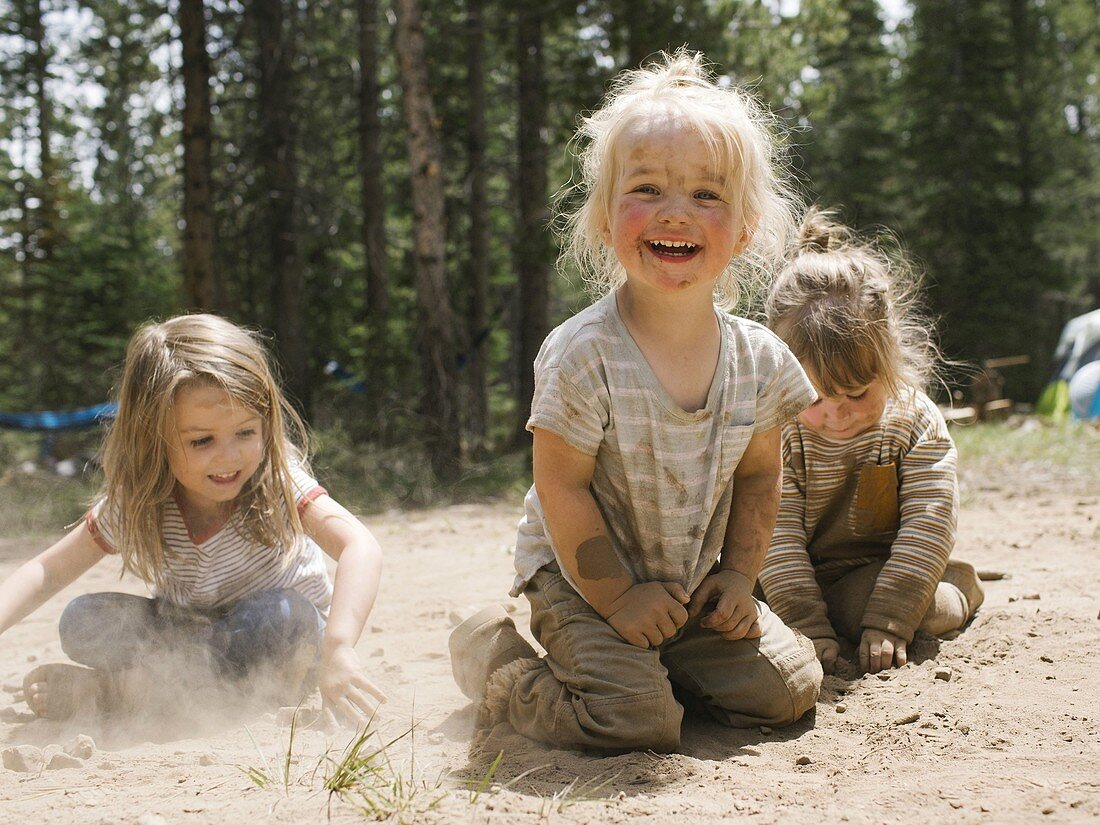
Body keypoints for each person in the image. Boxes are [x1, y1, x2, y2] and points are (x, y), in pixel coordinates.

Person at [449, 51, 822, 753]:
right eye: (646, 188)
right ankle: (498, 661)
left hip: (686, 585)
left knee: (791, 687)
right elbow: (559, 485)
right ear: (602, 220)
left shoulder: (759, 360)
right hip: (578, 577)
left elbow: (759, 475)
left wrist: (740, 577)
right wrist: (618, 598)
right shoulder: (583, 353)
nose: (675, 211)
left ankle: (653, 661)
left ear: (744, 229)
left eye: (707, 196)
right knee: (635, 721)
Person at [0, 314, 386, 724]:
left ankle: (117, 693)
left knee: (282, 615)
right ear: (153, 438)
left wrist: (340, 647)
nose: (230, 456)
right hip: (183, 641)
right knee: (83, 619)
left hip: (278, 641)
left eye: (246, 432)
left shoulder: (277, 479)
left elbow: (359, 546)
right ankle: (158, 691)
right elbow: (48, 570)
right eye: (202, 440)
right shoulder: (140, 500)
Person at [760, 209, 984, 676]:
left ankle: (955, 589)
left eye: (858, 393)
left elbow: (930, 519)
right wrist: (805, 626)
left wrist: (891, 618)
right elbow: (773, 536)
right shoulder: (777, 428)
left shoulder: (913, 421)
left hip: (882, 572)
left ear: (890, 357)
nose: (837, 415)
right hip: (785, 577)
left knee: (886, 605)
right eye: (816, 397)